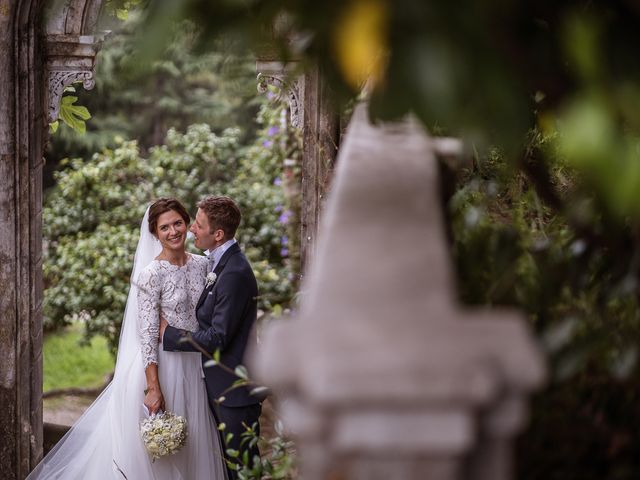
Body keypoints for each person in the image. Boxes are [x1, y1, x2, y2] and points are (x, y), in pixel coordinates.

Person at [27, 198, 228, 480]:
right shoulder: (151, 275)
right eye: (164, 227)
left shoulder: (204, 265)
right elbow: (147, 336)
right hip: (164, 367)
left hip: (195, 366)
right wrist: (153, 387)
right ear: (155, 233)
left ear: (188, 224)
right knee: (164, 453)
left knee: (195, 444)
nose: (173, 232)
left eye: (178, 223)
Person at [160, 195, 264, 478]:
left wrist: (168, 334)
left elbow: (218, 337)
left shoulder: (234, 273)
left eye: (198, 224)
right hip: (220, 388)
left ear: (217, 234)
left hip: (235, 394)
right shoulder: (218, 264)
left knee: (243, 472)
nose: (192, 228)